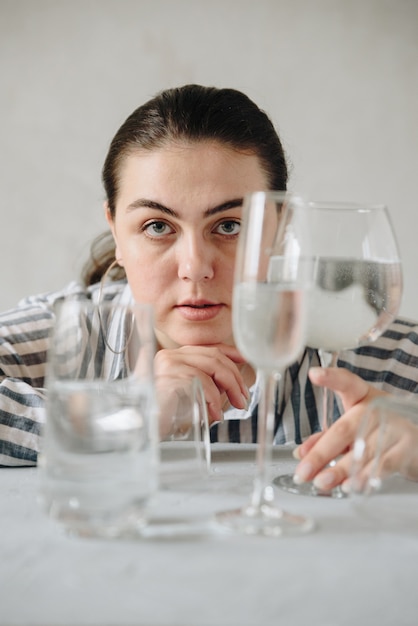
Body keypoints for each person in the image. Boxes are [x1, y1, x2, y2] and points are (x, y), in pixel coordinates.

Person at [1, 83, 418, 470]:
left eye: (230, 225)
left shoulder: (379, 355)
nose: (195, 267)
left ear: (281, 227)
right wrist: (126, 415)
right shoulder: (70, 332)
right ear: (116, 233)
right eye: (157, 227)